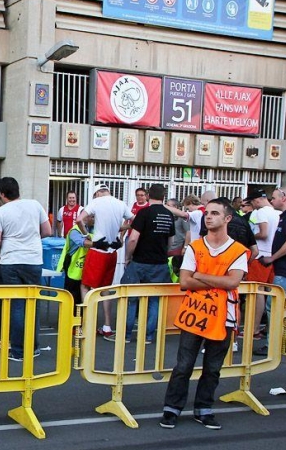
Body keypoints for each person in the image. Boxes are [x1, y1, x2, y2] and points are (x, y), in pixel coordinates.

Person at [160, 198, 248, 430]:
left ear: (227, 218)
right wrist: (214, 282)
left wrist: (200, 276)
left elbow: (233, 282)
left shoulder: (238, 250)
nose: (208, 217)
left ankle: (203, 409)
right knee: (183, 365)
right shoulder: (195, 247)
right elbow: (184, 281)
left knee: (212, 368)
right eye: (207, 213)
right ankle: (172, 409)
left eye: (215, 213)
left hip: (224, 316)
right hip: (195, 314)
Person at [0, 176, 52, 360]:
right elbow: (48, 231)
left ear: (2, 194)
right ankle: (33, 348)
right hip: (33, 260)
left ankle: (18, 351)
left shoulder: (0, 212)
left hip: (10, 261)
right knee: (33, 304)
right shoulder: (35, 205)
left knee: (17, 306)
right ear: (18, 190)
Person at [75, 183, 133, 338]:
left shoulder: (96, 202)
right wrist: (119, 233)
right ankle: (107, 326)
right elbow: (133, 221)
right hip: (112, 251)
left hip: (98, 250)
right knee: (106, 289)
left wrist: (86, 234)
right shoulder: (120, 203)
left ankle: (88, 324)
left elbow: (78, 219)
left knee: (86, 287)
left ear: (98, 193)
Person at [121, 184, 174, 344]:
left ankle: (127, 335)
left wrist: (128, 257)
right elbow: (170, 242)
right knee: (154, 301)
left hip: (140, 262)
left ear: (149, 195)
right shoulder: (169, 214)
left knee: (132, 299)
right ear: (164, 196)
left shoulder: (144, 213)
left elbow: (133, 239)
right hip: (160, 263)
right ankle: (148, 336)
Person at [257, 187, 286, 355]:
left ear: (284, 198)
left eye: (273, 198)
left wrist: (272, 259)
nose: (271, 201)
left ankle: (275, 346)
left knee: (278, 309)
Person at [244, 189, 278, 338]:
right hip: (273, 256)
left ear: (256, 201)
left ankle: (254, 329)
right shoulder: (277, 212)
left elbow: (263, 233)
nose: (252, 206)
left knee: (256, 292)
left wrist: (249, 236)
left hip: (260, 256)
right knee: (270, 294)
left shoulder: (260, 212)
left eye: (251, 203)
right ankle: (268, 328)